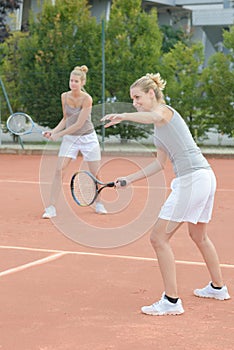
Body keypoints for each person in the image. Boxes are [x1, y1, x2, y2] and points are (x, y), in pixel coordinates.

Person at [101, 73, 230, 315]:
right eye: (132, 99)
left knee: (158, 238)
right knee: (199, 236)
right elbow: (159, 164)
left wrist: (124, 115)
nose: (135, 102)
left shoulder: (165, 112)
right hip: (203, 177)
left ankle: (171, 302)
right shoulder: (159, 130)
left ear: (152, 93)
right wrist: (128, 179)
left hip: (193, 179)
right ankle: (218, 287)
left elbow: (154, 115)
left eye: (137, 97)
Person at [42, 65, 107, 218]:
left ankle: (99, 203)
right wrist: (53, 131)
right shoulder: (64, 96)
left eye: (76, 81)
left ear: (82, 82)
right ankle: (51, 208)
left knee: (95, 173)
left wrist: (59, 135)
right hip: (70, 139)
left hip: (88, 138)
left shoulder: (87, 99)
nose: (73, 83)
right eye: (71, 80)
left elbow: (78, 123)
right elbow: (66, 119)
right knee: (59, 171)